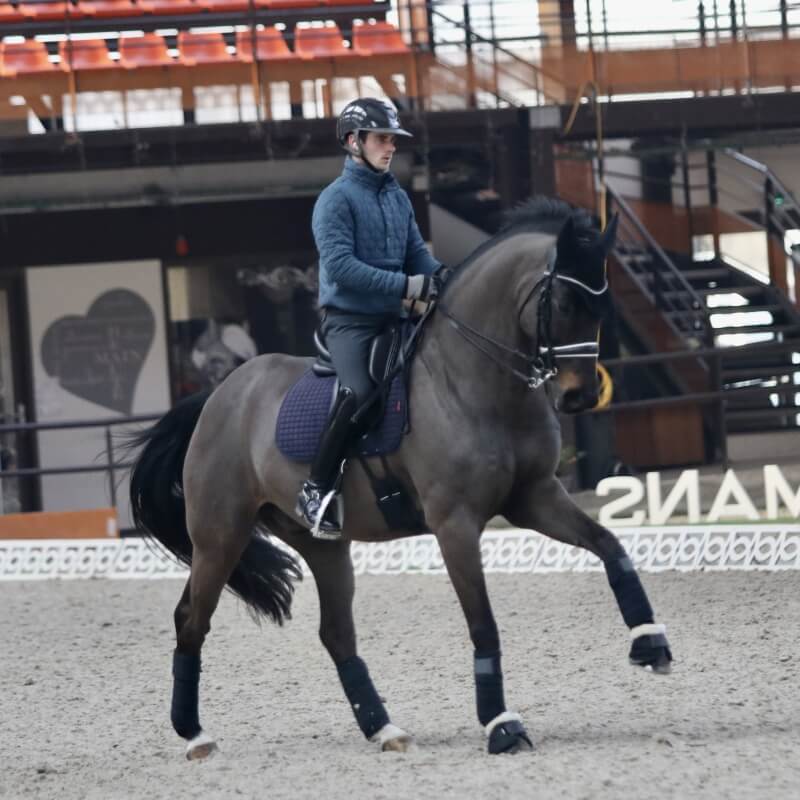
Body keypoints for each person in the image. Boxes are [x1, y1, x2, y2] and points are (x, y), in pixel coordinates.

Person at [295, 97, 441, 535]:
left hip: (395, 316)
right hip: (350, 321)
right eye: (381, 138)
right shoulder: (334, 200)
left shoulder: (396, 196)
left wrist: (442, 279)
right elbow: (340, 268)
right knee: (359, 392)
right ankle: (316, 489)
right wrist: (405, 286)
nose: (390, 146)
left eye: (392, 139)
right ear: (353, 142)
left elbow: (416, 254)